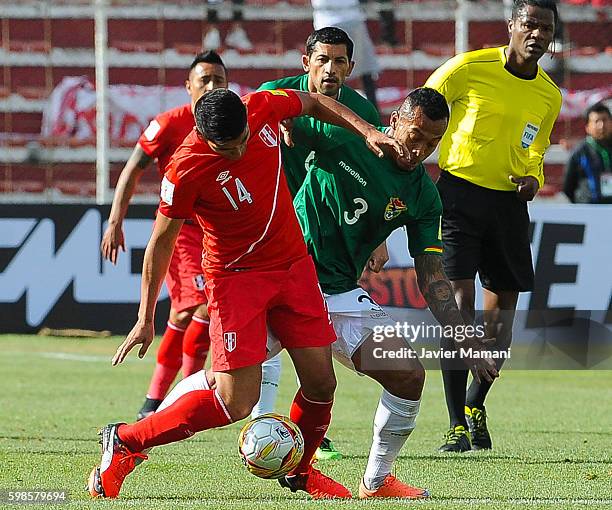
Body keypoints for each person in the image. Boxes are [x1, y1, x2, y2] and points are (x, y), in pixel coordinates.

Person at [158, 87, 499, 499]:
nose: (419, 149)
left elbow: (432, 278)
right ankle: (145, 432)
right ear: (395, 121)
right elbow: (291, 103)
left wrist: (464, 337)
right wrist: (287, 126)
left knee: (408, 375)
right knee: (225, 389)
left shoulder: (424, 197)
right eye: (416, 135)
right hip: (278, 280)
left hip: (336, 293)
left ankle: (375, 481)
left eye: (432, 142)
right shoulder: (345, 137)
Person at [87, 88, 404, 500]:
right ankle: (127, 441)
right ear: (202, 134)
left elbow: (312, 102)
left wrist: (366, 131)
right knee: (236, 402)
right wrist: (146, 316)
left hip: (293, 268)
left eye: (243, 139)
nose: (238, 151)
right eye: (226, 147)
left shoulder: (259, 107)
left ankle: (300, 472)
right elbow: (160, 243)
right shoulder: (184, 169)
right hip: (235, 280)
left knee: (322, 383)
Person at [424, 0, 562, 452]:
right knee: (459, 303)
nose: (537, 34)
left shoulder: (549, 95)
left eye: (546, 27)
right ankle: (453, 424)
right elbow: (420, 110)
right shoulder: (468, 67)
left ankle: (475, 404)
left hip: (508, 205)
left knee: (503, 309)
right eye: (529, 24)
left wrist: (534, 178)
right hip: (459, 195)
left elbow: (536, 150)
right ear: (511, 26)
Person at [255, 26, 386, 461]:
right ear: (305, 62)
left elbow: (376, 176)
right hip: (269, 227)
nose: (331, 69)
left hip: (321, 234)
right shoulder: (274, 94)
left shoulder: (361, 112)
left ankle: (296, 429)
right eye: (323, 59)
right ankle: (264, 422)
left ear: (351, 67)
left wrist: (377, 235)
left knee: (303, 330)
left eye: (340, 61)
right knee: (270, 331)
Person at [101, 51, 228, 421]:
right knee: (199, 305)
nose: (211, 87)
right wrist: (115, 221)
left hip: (215, 232)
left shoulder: (232, 123)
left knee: (182, 313)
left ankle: (156, 399)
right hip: (180, 232)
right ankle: (187, 394)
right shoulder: (169, 124)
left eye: (218, 80)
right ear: (188, 86)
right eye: (204, 80)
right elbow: (132, 169)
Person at [311, 0, 379, 110]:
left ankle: (374, 112)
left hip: (351, 18)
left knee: (365, 68)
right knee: (329, 69)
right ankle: (325, 109)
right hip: (328, 20)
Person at [563, 102, 612, 204]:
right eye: (596, 121)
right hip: (588, 211)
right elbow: (568, 186)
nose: (601, 125)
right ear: (587, 127)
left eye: (605, 120)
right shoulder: (579, 152)